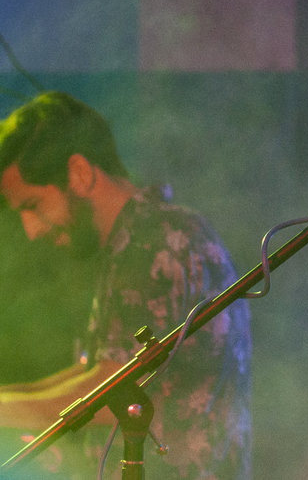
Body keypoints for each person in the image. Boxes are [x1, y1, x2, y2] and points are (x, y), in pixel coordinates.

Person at [0, 91, 251, 479]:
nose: (31, 231)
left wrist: (6, 411)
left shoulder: (151, 242)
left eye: (32, 206)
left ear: (79, 173)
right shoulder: (143, 237)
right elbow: (99, 374)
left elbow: (112, 390)